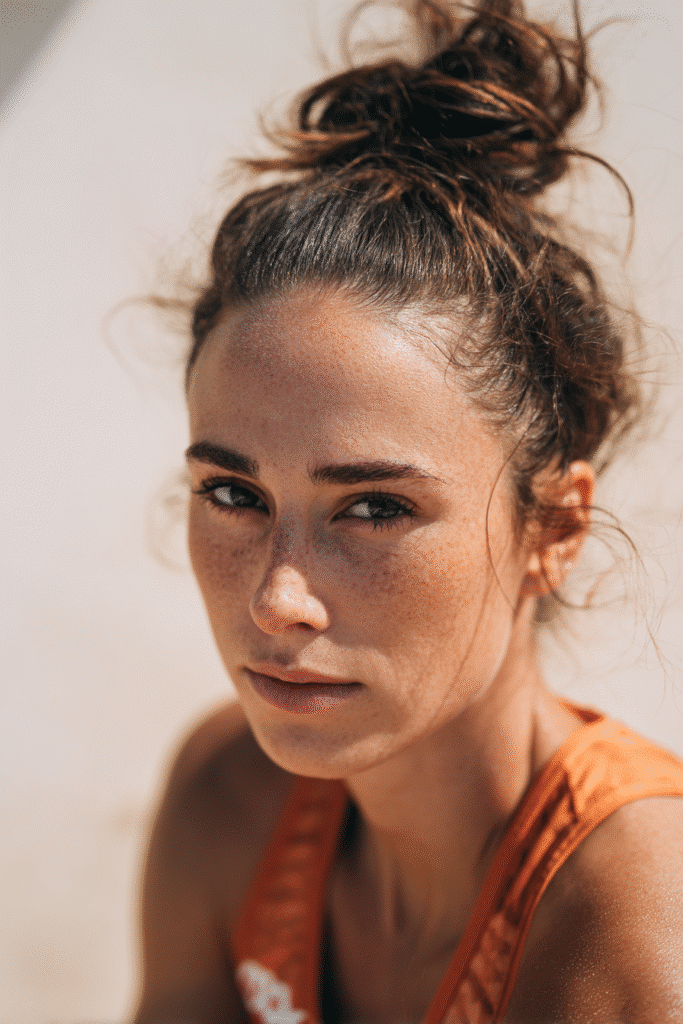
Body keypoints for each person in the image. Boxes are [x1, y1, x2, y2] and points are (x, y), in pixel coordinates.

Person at [131, 1, 683, 1021]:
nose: (277, 599)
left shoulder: (635, 918)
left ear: (552, 529)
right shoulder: (227, 802)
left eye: (375, 506)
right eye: (234, 493)